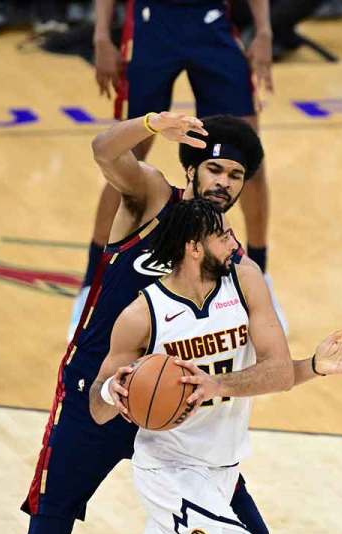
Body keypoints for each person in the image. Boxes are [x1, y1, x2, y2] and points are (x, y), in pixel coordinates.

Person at [6, 112, 342, 534]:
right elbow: (105, 151)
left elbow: (274, 366)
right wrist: (152, 122)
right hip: (102, 389)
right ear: (193, 169)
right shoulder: (152, 199)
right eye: (216, 169)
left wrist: (289, 371)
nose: (224, 182)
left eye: (236, 175)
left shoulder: (233, 261)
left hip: (179, 409)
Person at [69, 0, 281, 338]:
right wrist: (101, 35)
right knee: (126, 160)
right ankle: (91, 284)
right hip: (152, 22)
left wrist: (265, 30)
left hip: (211, 22)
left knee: (246, 156)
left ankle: (260, 274)